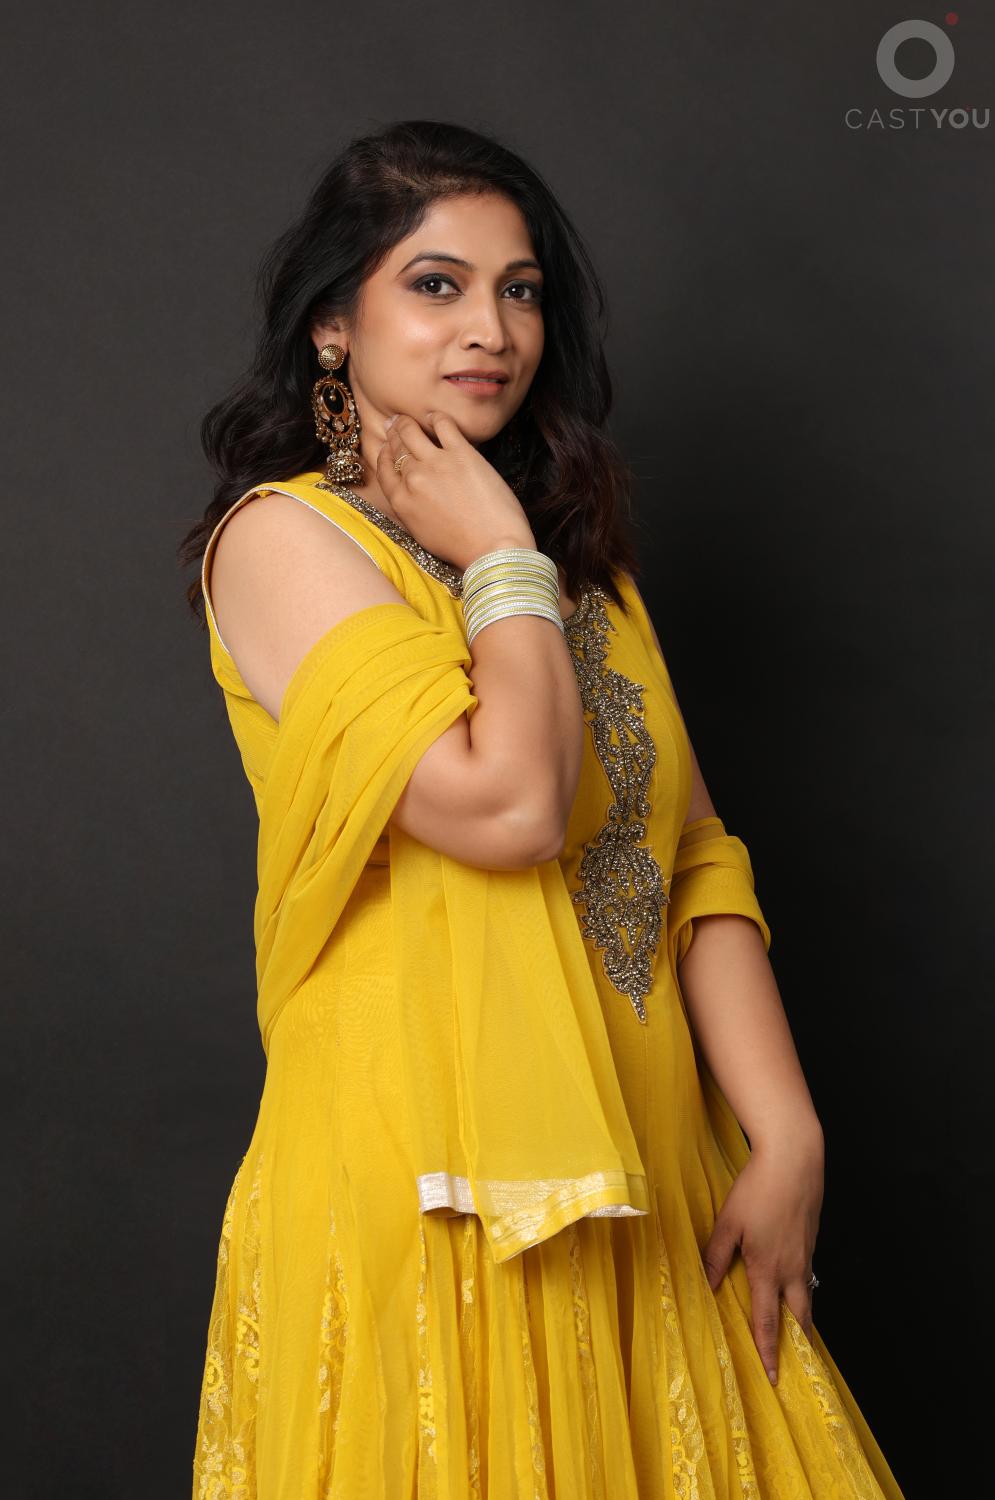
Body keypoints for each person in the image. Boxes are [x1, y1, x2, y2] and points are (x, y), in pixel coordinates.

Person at [180, 119, 905, 1499]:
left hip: (652, 1175)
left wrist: (787, 1133)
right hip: (432, 1185)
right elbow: (507, 810)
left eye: (520, 291)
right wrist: (500, 555)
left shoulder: (583, 575)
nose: (493, 329)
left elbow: (691, 855)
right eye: (436, 285)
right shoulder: (285, 541)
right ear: (333, 323)